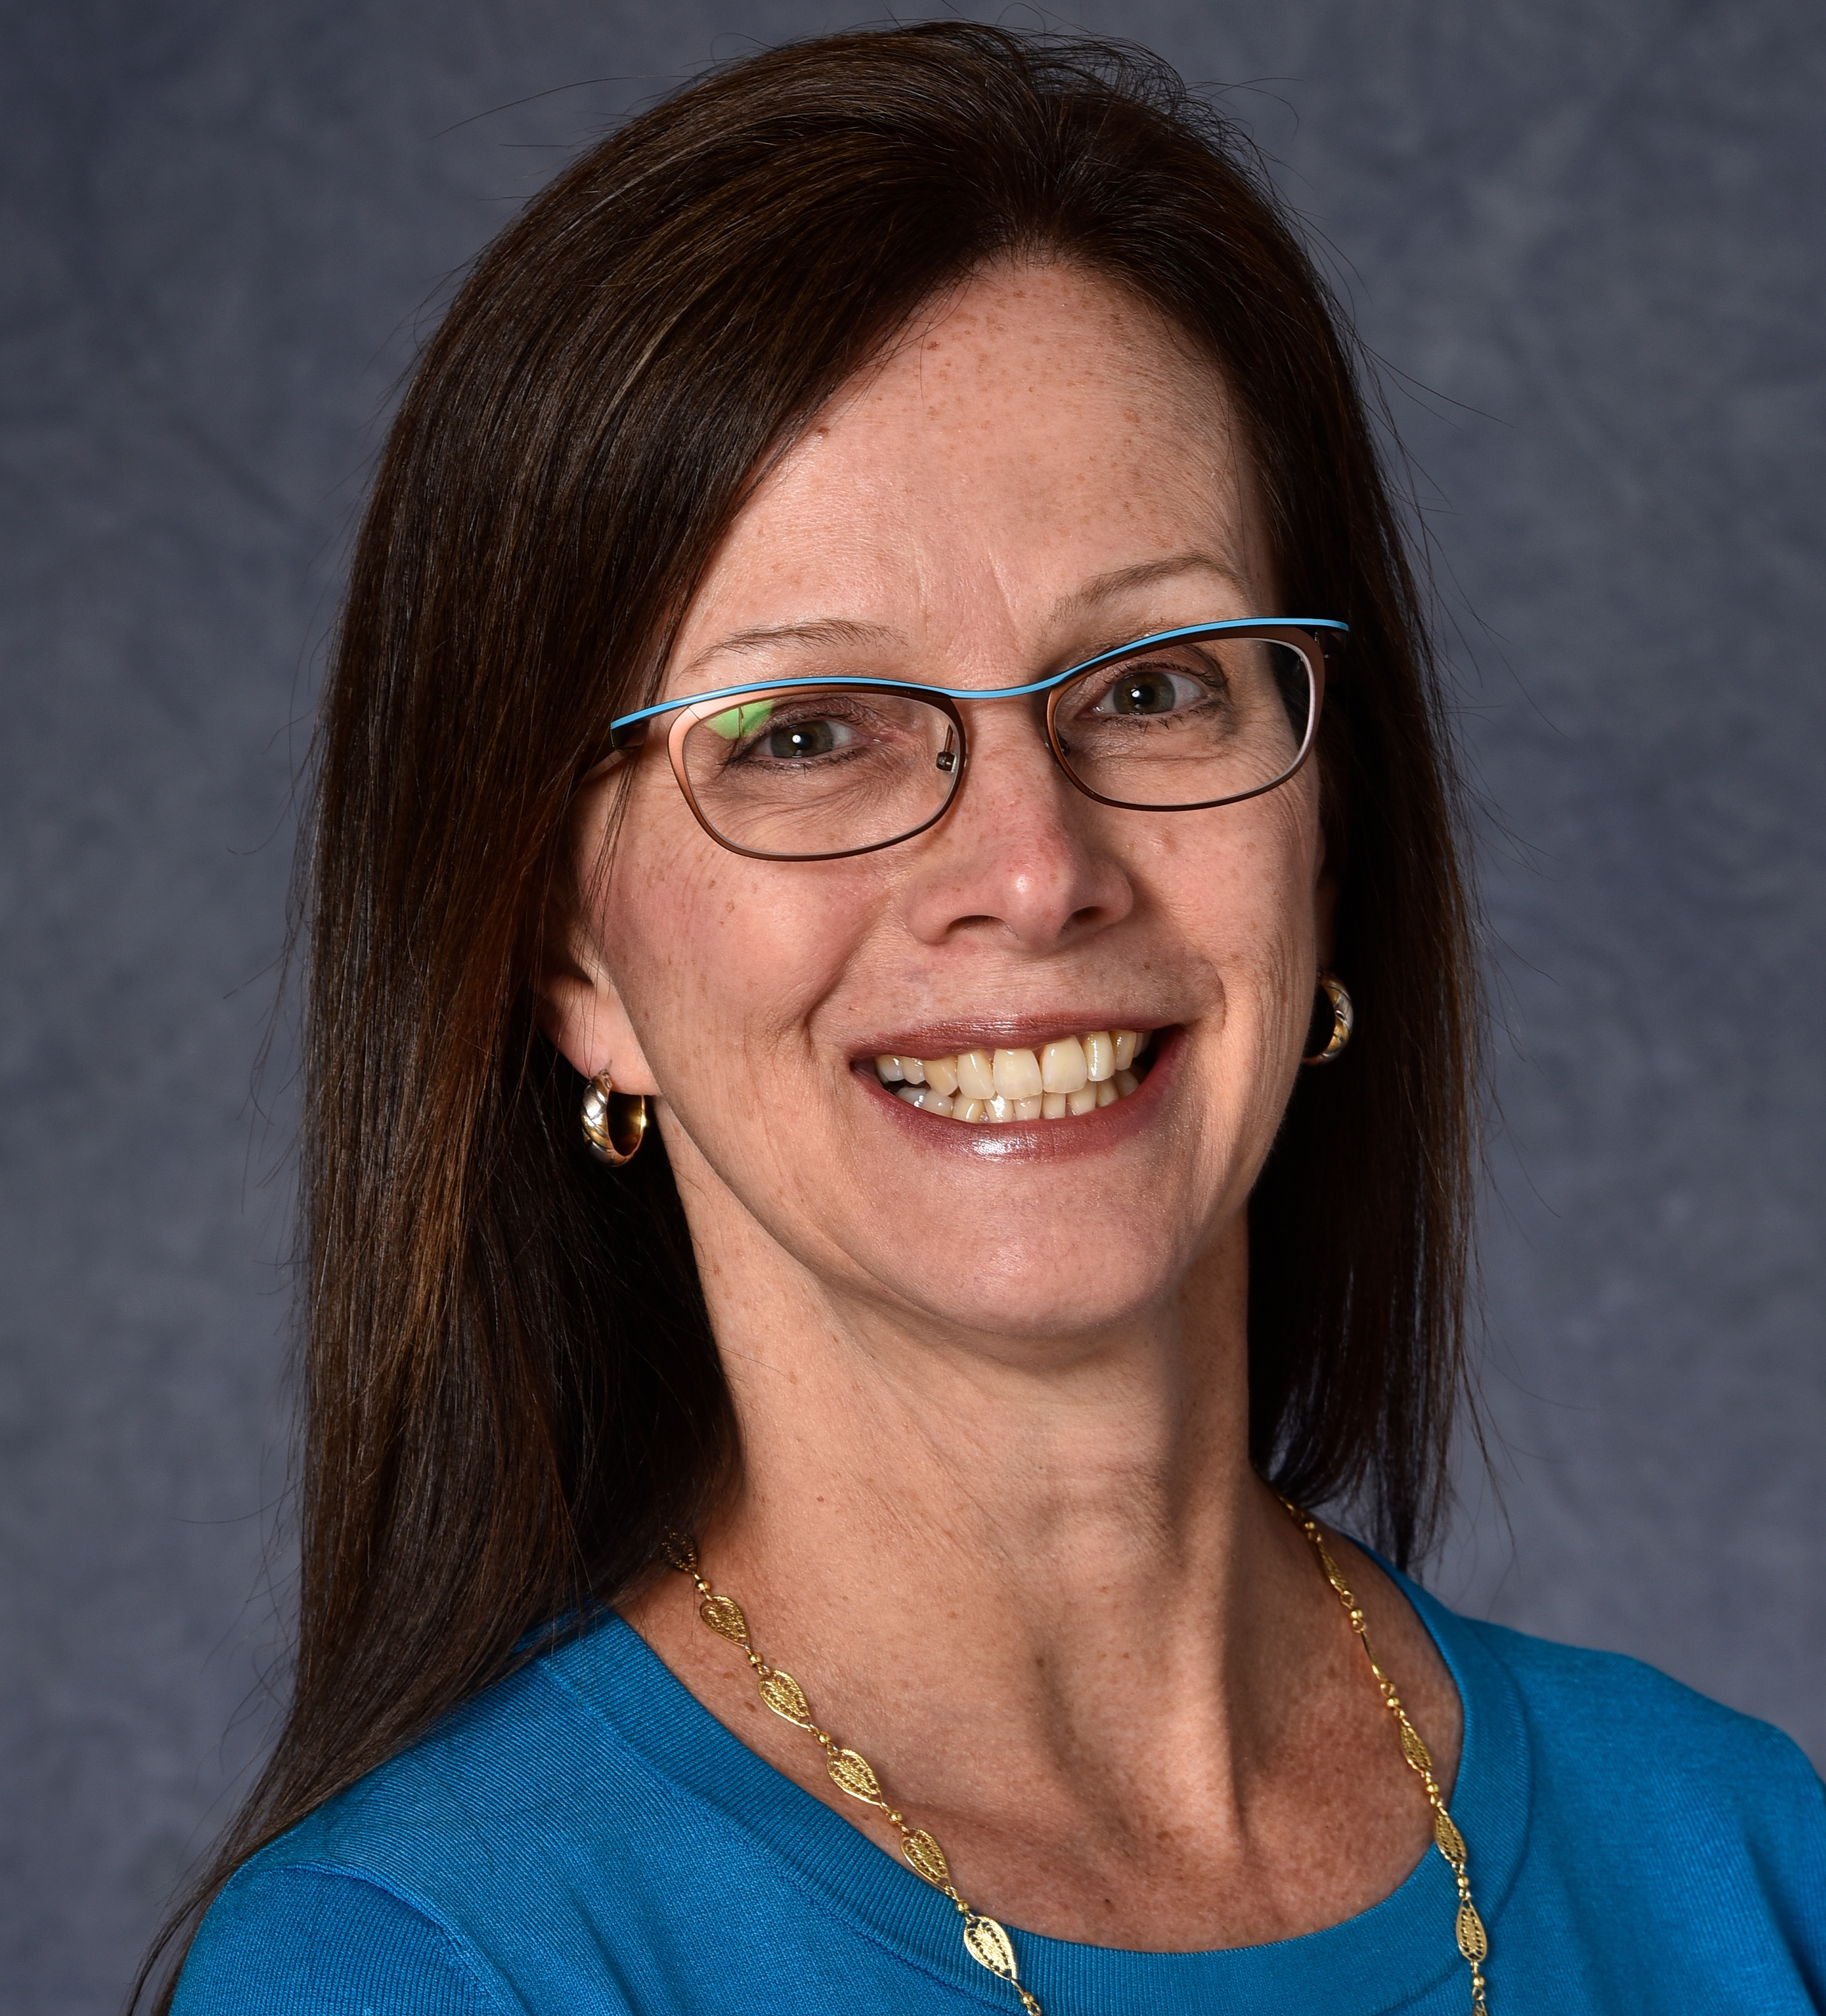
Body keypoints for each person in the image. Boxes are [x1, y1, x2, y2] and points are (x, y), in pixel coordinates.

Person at [149, 23, 1825, 2016]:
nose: (1034, 871)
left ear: (1325, 817)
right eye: (805, 734)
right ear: (571, 962)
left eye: (1152, 684)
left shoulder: (1744, 1860)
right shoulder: (422, 1969)